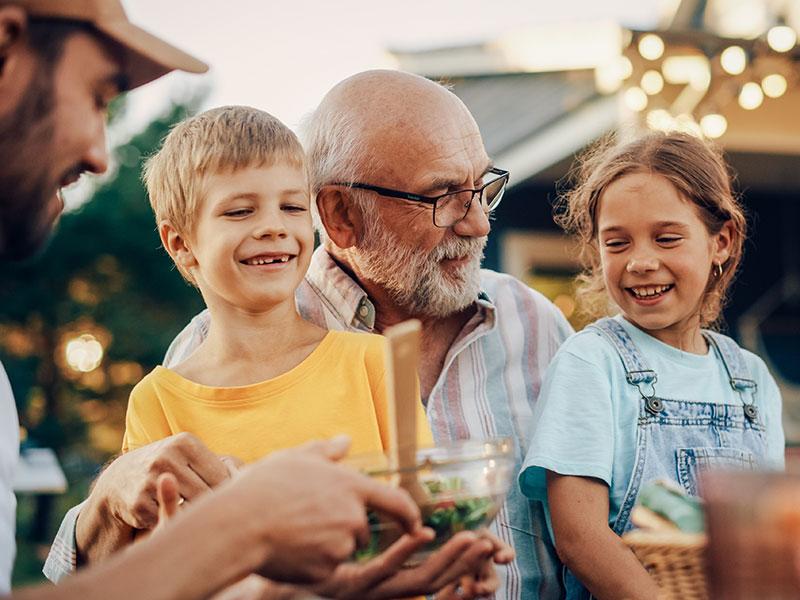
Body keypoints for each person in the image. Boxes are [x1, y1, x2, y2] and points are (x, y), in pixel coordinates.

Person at [0, 2, 477, 598]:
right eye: (240, 210)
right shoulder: (160, 400)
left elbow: (423, 524)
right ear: (181, 245)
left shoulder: (374, 362)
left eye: (291, 207)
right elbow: (157, 565)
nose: (275, 227)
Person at [73, 69, 572, 599]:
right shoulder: (172, 382)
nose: (479, 224)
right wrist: (110, 497)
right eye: (443, 196)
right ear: (337, 214)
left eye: (482, 190)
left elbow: (432, 530)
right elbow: (139, 569)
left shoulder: (533, 324)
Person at [519, 131, 785, 599]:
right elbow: (580, 538)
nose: (641, 262)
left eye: (666, 238)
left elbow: (765, 538)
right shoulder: (591, 362)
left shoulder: (751, 380)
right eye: (617, 244)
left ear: (721, 241)